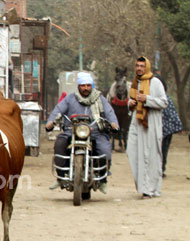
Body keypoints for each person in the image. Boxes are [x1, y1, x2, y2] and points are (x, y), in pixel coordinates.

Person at [46, 72, 119, 194]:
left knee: (105, 151)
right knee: (59, 144)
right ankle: (60, 177)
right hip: (72, 130)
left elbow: (109, 112)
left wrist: (113, 123)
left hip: (95, 132)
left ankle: (102, 179)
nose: (86, 88)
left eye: (88, 85)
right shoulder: (70, 99)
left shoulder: (99, 99)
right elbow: (58, 111)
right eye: (83, 85)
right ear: (78, 86)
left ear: (92, 86)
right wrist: (51, 122)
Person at [127, 57, 168, 198]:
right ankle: (142, 186)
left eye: (142, 66)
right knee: (132, 151)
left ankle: (150, 189)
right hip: (137, 122)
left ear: (147, 67)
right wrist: (130, 104)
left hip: (151, 121)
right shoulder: (134, 83)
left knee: (151, 156)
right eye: (137, 66)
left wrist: (147, 100)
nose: (139, 68)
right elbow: (131, 101)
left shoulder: (155, 83)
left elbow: (164, 102)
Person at [153, 70, 183, 177]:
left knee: (163, 150)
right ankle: (157, 169)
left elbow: (172, 113)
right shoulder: (151, 98)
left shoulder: (166, 99)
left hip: (166, 131)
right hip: (155, 129)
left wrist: (178, 127)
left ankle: (161, 168)